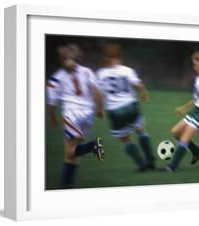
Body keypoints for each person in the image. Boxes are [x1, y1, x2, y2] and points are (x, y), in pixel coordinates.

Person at [47, 44, 105, 188]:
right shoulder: (87, 71)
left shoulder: (56, 78)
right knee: (72, 154)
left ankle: (93, 146)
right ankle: (67, 184)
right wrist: (99, 109)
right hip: (88, 114)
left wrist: (53, 118)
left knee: (70, 152)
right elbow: (97, 91)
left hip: (72, 114)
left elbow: (52, 103)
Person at [96, 44, 156, 172]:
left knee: (125, 139)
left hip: (115, 111)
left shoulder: (101, 73)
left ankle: (141, 164)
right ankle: (150, 160)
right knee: (141, 130)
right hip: (130, 106)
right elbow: (138, 85)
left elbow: (99, 94)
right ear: (119, 57)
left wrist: (100, 109)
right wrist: (144, 93)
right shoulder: (127, 70)